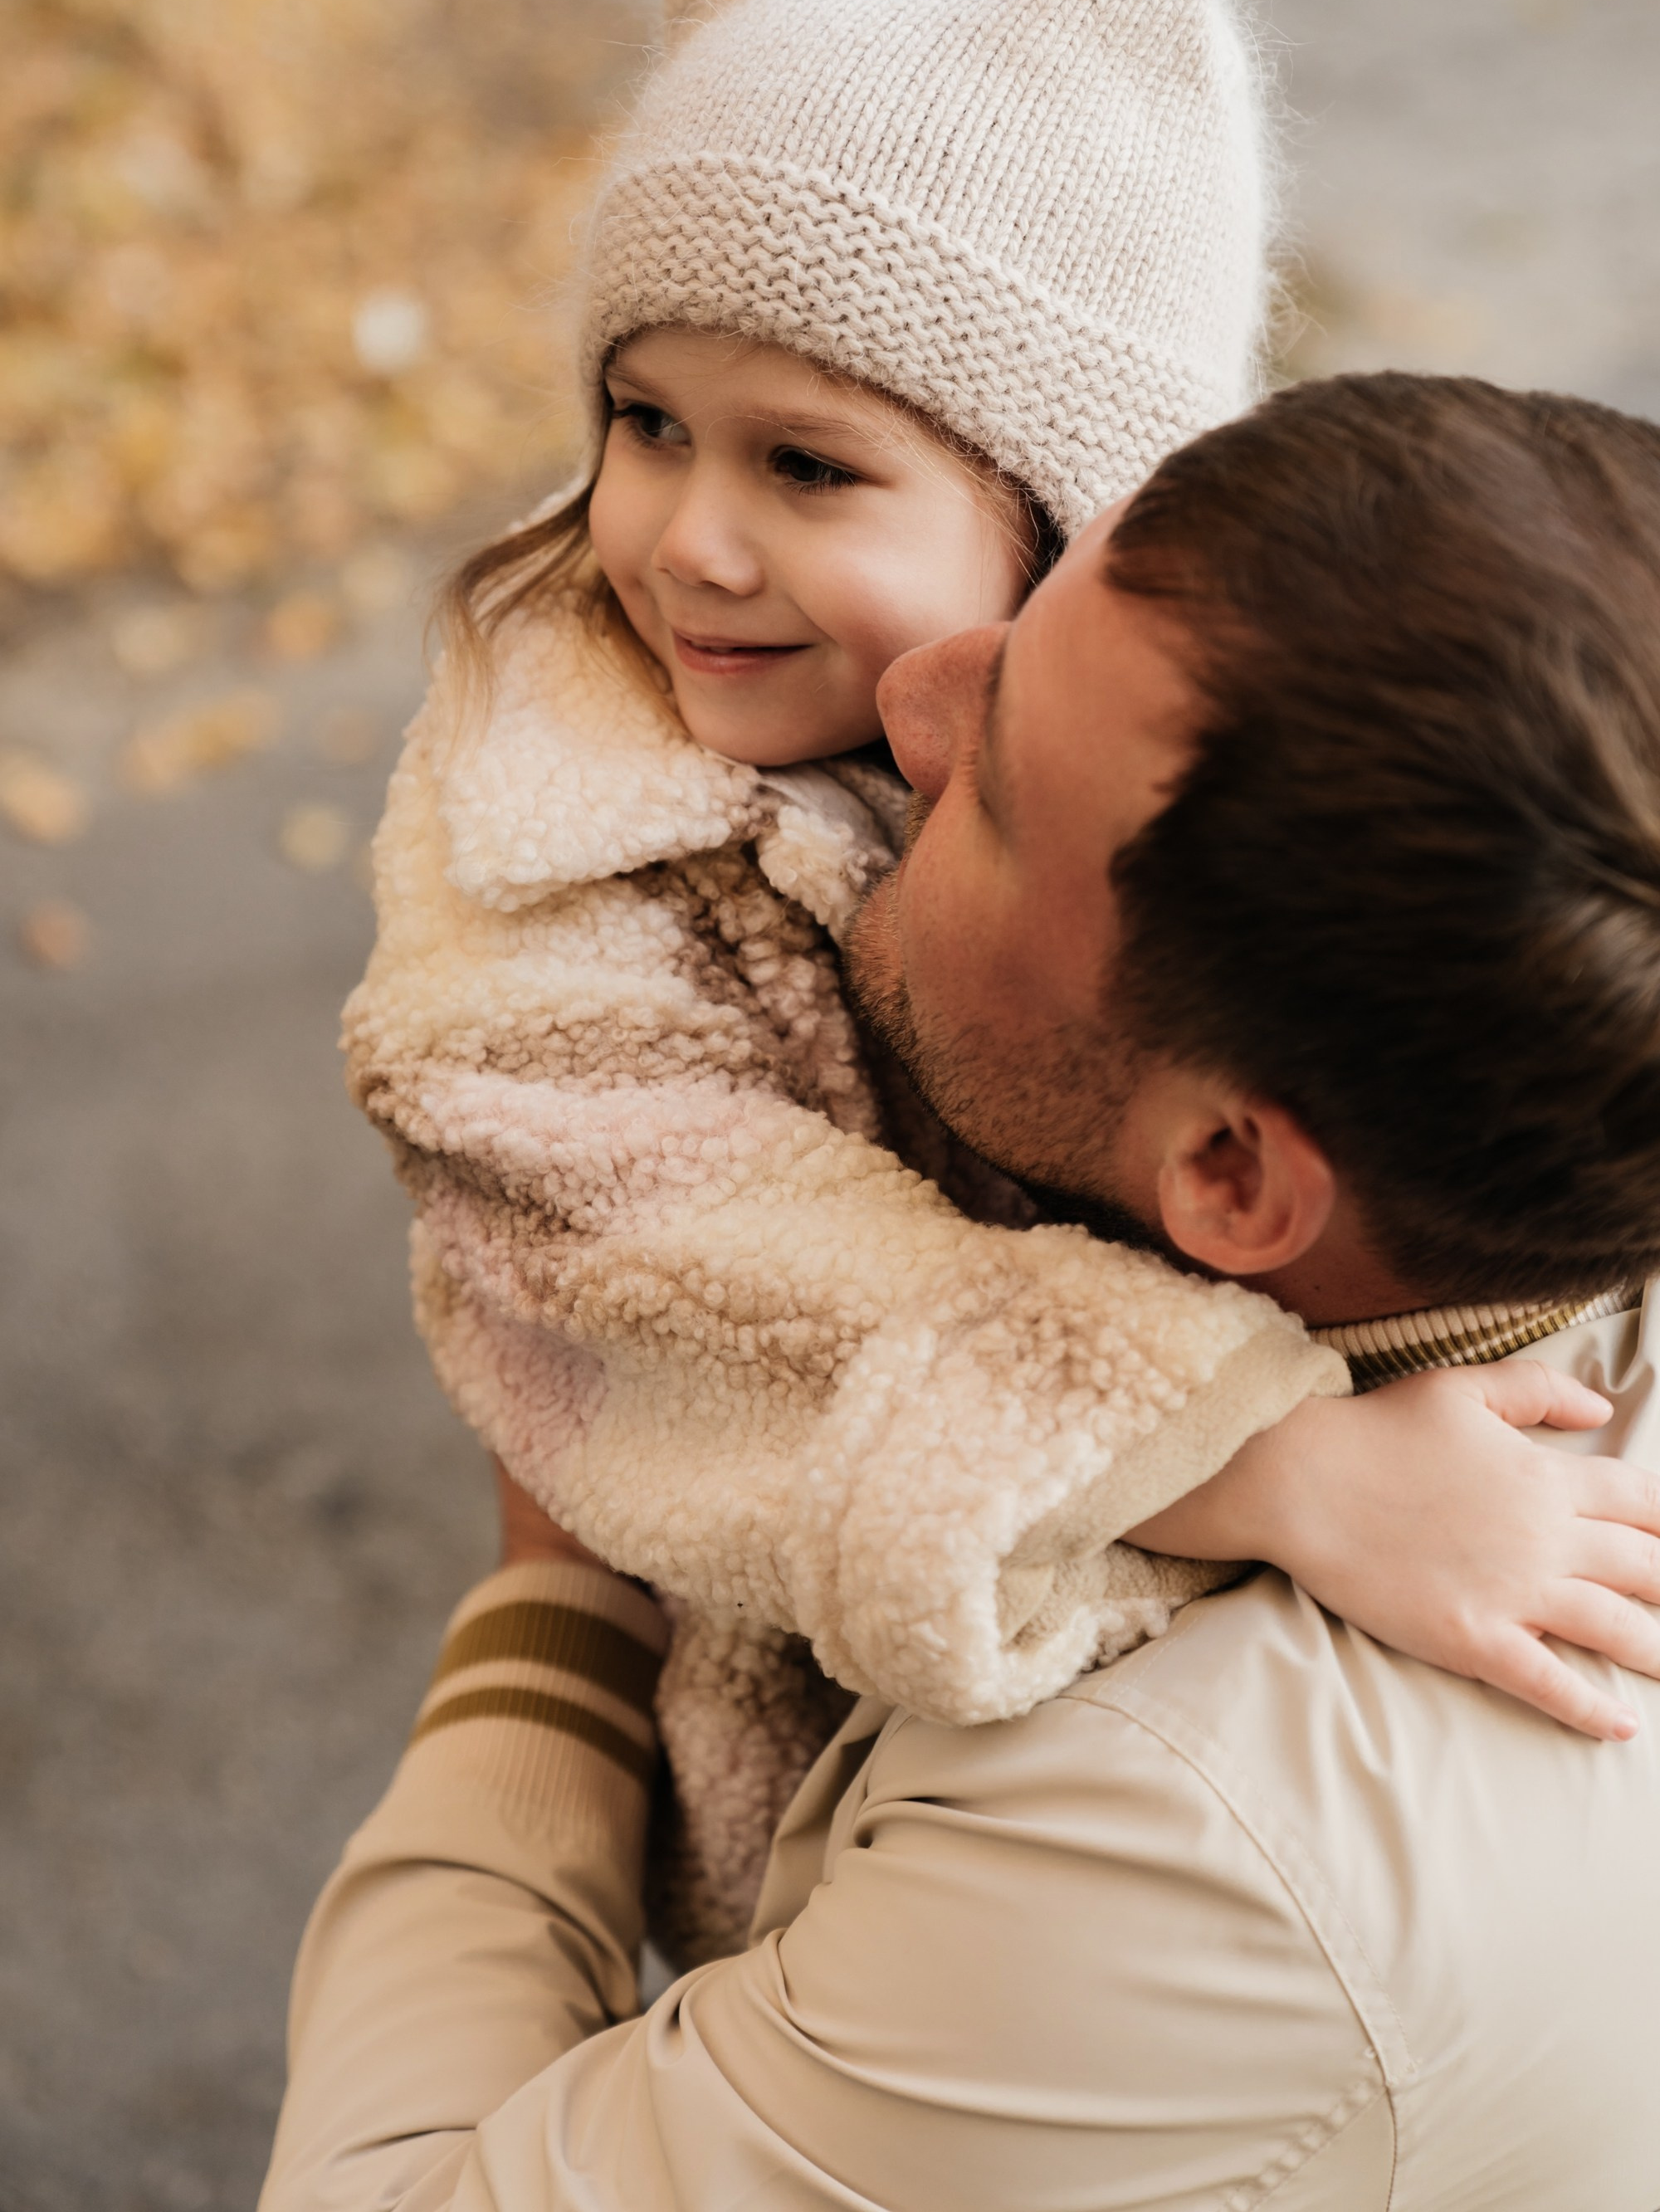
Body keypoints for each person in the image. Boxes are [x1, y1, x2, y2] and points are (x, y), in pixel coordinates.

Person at [342, 0, 1650, 1970]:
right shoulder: (556, 820)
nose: (686, 539)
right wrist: (1265, 1463)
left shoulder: (1254, 820)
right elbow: (672, 1264)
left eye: (808, 467)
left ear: (1058, 508)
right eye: (644, 422)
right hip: (799, 1769)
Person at [264, 372, 1660, 2210]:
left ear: (1233, 1179)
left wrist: (563, 1606)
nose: (914, 700)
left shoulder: (1155, 1858)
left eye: (996, 787)